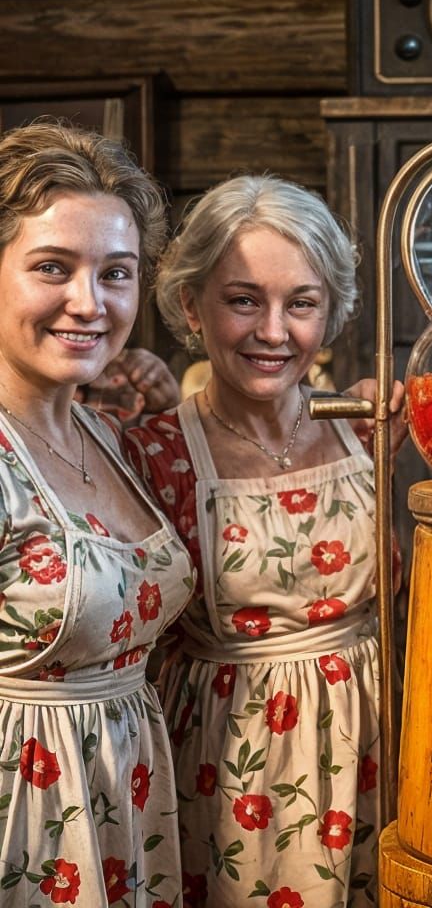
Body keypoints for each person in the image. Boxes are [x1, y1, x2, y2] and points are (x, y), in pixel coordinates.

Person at [125, 175, 401, 907]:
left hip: (380, 740)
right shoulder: (152, 453)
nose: (274, 333)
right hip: (232, 759)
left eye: (301, 304)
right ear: (192, 305)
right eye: (243, 300)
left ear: (331, 311)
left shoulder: (369, 424)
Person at [0, 121, 194, 905]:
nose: (90, 302)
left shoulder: (103, 430)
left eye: (116, 273)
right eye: (53, 267)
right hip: (26, 832)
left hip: (125, 811)